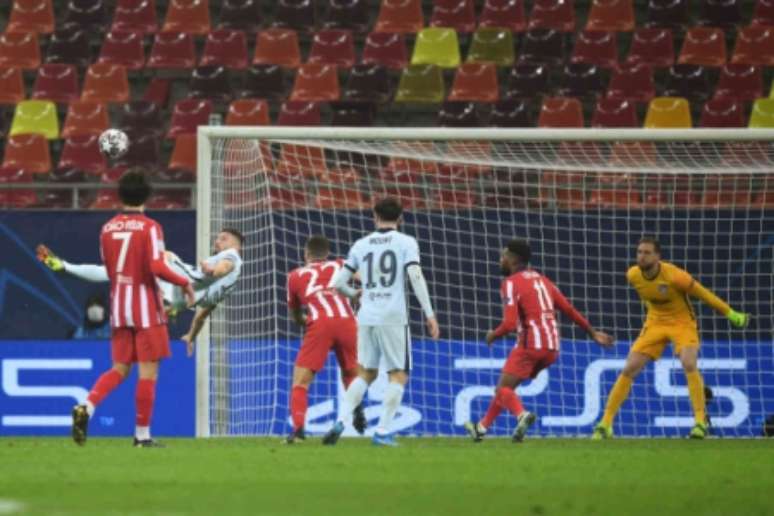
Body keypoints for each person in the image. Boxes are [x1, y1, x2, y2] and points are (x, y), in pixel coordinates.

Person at [70, 169, 195, 448]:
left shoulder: (107, 228)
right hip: (147, 308)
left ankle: (87, 407)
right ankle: (142, 435)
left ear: (119, 196)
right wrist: (184, 283)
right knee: (148, 372)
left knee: (119, 368)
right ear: (148, 196)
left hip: (119, 308)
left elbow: (110, 268)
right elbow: (156, 266)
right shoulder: (151, 227)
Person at [592, 236, 750, 440]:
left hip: (682, 323)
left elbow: (704, 294)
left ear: (658, 256)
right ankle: (605, 423)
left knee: (688, 362)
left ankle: (701, 422)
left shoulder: (676, 276)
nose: (642, 256)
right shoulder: (632, 275)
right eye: (639, 252)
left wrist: (731, 314)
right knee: (630, 368)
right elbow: (650, 298)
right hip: (655, 323)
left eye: (647, 252)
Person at [464, 239, 614, 443]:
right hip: (552, 348)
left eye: (504, 256)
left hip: (530, 344)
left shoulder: (510, 283)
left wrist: (493, 335)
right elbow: (568, 309)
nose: (501, 260)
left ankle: (521, 415)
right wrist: (592, 332)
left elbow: (508, 324)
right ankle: (481, 428)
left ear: (514, 259)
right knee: (506, 389)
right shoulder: (544, 281)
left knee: (502, 390)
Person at [322, 197, 440, 447]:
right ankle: (383, 431)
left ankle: (341, 421)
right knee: (398, 374)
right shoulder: (406, 242)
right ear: (401, 218)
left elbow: (338, 284)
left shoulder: (361, 244)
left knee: (365, 373)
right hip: (393, 316)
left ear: (374, 216)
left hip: (366, 316)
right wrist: (429, 314)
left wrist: (356, 295)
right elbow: (415, 275)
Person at [37, 227, 244, 356]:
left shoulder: (232, 255)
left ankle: (66, 266)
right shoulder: (229, 286)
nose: (217, 241)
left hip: (180, 281)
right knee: (121, 273)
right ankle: (162, 304)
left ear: (235, 244)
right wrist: (191, 335)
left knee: (161, 256)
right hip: (182, 297)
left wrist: (212, 270)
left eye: (223, 238)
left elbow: (223, 267)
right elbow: (202, 314)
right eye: (218, 238)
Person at [284, 235, 364, 443]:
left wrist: (305, 321)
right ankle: (356, 408)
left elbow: (295, 316)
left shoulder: (294, 276)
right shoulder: (339, 264)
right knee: (350, 373)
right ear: (327, 254)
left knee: (300, 382)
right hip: (348, 322)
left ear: (306, 254)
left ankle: (299, 431)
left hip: (319, 323)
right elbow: (364, 279)